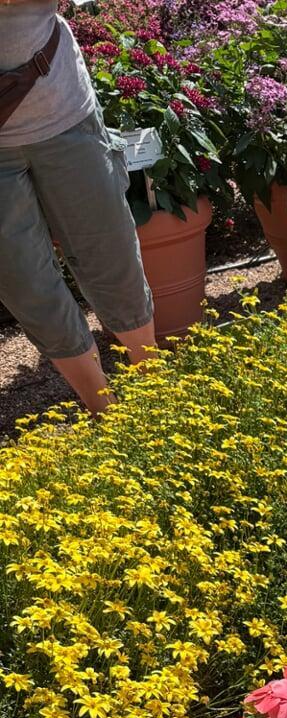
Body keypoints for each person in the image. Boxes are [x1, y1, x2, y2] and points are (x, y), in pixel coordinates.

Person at [0, 0, 156, 413]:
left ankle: (159, 391)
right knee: (25, 283)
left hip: (62, 112)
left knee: (110, 256)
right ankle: (104, 411)